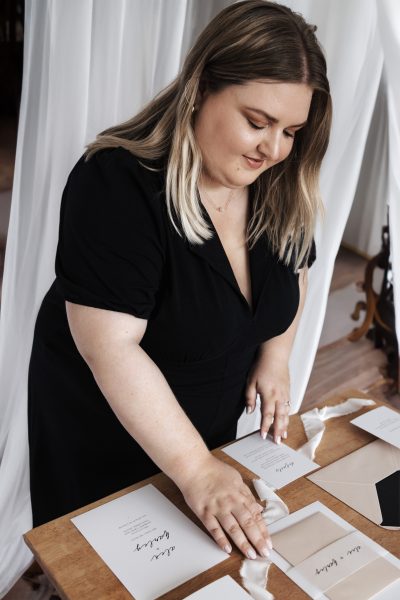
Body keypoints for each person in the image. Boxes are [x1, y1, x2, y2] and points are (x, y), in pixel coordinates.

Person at [28, 0, 331, 561]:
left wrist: (276, 355)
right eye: (257, 122)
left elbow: (297, 267)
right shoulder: (115, 184)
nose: (273, 149)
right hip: (107, 430)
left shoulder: (278, 184)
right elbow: (111, 349)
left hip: (204, 421)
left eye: (290, 131)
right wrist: (195, 468)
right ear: (200, 88)